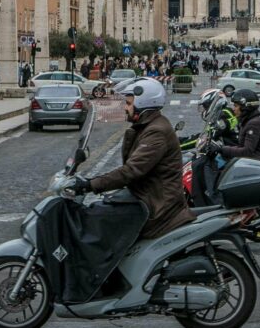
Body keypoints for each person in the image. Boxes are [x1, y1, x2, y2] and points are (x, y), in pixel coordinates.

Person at [72, 80, 196, 239]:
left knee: (99, 220)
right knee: (103, 209)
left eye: (129, 104)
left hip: (157, 206)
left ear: (143, 104)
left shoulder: (156, 132)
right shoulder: (148, 126)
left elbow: (131, 171)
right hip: (147, 196)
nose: (125, 107)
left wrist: (89, 185)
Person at [215, 89, 260, 164]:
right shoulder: (246, 121)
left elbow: (247, 151)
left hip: (258, 162)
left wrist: (222, 149)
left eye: (236, 106)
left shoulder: (253, 123)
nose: (233, 109)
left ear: (245, 107)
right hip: (251, 161)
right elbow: (241, 147)